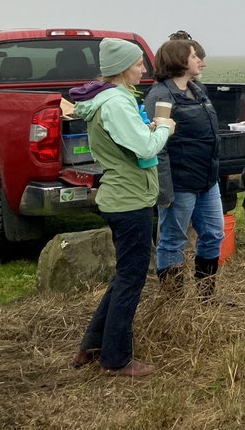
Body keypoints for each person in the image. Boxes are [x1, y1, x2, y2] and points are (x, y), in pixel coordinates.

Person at [69, 38, 174, 377]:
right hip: (129, 200)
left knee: (124, 275)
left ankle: (93, 344)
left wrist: (149, 130)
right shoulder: (116, 103)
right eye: (138, 63)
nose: (144, 69)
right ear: (123, 67)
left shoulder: (110, 99)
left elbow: (129, 141)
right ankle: (116, 359)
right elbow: (144, 149)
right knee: (131, 278)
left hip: (121, 196)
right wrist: (163, 130)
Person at [144, 37, 225, 299]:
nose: (200, 61)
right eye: (193, 56)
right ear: (179, 61)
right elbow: (159, 145)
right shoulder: (161, 95)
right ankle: (173, 304)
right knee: (173, 241)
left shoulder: (197, 89)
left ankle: (207, 296)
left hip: (206, 179)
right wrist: (165, 190)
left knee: (214, 233)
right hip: (180, 181)